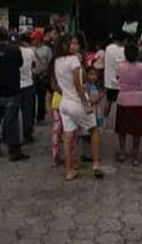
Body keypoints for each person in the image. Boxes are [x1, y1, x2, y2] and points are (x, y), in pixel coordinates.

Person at [53, 35, 103, 180]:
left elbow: (58, 84)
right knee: (93, 130)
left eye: (76, 43)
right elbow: (78, 84)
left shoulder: (57, 61)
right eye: (72, 44)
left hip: (64, 102)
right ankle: (96, 164)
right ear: (65, 46)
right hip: (76, 101)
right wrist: (85, 103)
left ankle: (69, 170)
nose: (76, 46)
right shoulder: (73, 60)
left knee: (68, 137)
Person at [0, 27, 28, 161]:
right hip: (12, 90)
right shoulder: (14, 50)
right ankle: (14, 150)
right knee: (12, 121)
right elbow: (20, 64)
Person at [115, 44, 142, 165]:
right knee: (137, 130)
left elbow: (118, 78)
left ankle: (122, 152)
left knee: (122, 129)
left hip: (123, 98)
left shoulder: (120, 66)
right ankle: (135, 155)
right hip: (138, 99)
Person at [31, 29, 53, 124]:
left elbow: (50, 63)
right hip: (32, 76)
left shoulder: (47, 50)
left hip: (42, 76)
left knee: (41, 98)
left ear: (39, 39)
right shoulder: (31, 50)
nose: (33, 41)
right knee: (31, 98)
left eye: (35, 39)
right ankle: (31, 117)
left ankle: (40, 117)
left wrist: (46, 74)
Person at [103, 34, 125, 124]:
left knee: (108, 101)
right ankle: (120, 122)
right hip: (120, 81)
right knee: (121, 103)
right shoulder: (123, 50)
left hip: (109, 81)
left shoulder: (108, 48)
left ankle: (103, 121)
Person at [18, 34, 36, 143]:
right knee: (27, 110)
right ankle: (27, 133)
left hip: (16, 84)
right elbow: (33, 65)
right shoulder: (30, 52)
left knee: (14, 111)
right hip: (28, 83)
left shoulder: (15, 51)